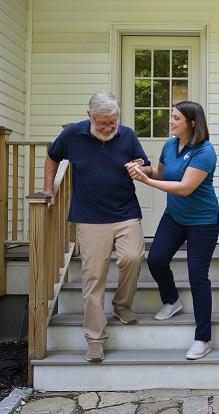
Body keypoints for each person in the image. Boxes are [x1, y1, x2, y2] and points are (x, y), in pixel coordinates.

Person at [43, 91, 152, 362]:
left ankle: (122, 305)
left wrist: (140, 171)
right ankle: (94, 339)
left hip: (126, 212)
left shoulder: (127, 135)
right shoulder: (72, 135)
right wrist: (48, 190)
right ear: (89, 115)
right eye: (102, 123)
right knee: (94, 277)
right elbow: (52, 156)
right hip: (90, 217)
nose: (107, 128)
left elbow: (147, 168)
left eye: (112, 122)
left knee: (133, 257)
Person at [126, 101, 219, 360]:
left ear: (191, 122)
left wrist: (147, 181)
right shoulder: (169, 145)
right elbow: (162, 173)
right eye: (171, 116)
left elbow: (185, 187)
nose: (171, 121)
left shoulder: (205, 151)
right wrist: (141, 169)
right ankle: (172, 300)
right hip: (175, 216)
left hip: (203, 220)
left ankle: (203, 339)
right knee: (155, 259)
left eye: (176, 118)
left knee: (197, 275)